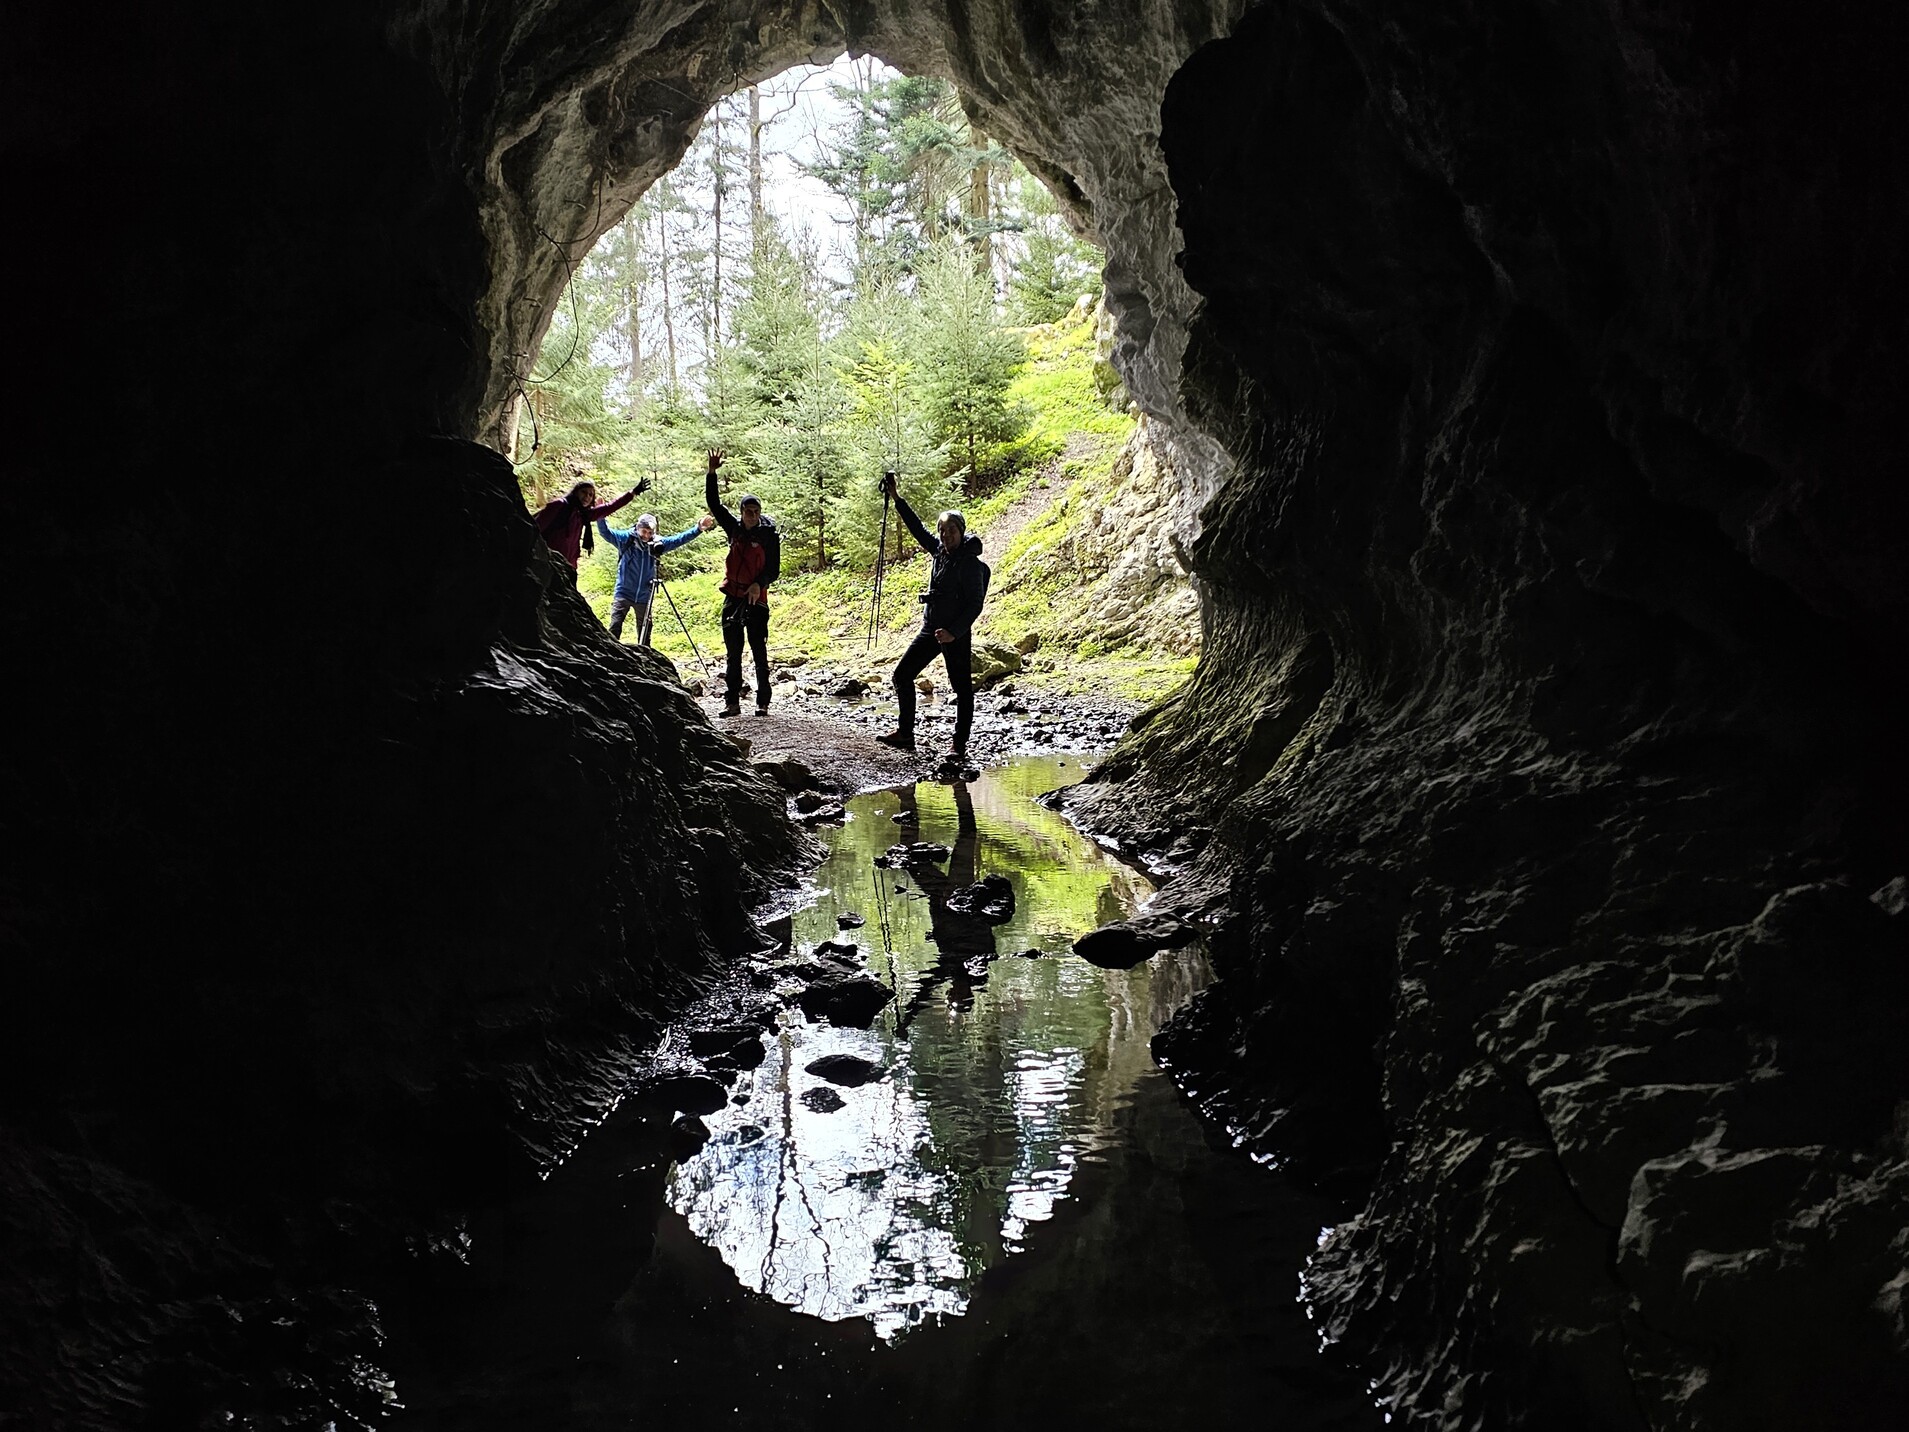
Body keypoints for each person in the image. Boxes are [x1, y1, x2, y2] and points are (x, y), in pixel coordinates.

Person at [876, 474, 989, 760]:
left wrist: (954, 632)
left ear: (961, 531)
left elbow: (975, 604)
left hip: (955, 634)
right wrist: (896, 497)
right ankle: (905, 734)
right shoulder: (939, 551)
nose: (945, 535)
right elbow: (916, 528)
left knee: (962, 689)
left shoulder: (970, 563)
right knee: (902, 675)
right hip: (931, 629)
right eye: (942, 530)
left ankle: (958, 745)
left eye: (951, 530)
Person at [704, 449, 780, 717]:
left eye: (756, 511)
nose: (752, 515)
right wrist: (712, 473)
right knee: (733, 652)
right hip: (733, 596)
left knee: (759, 650)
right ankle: (732, 702)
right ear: (742, 512)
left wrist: (759, 584)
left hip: (756, 598)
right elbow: (714, 504)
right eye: (748, 511)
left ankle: (763, 702)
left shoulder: (769, 536)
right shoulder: (734, 529)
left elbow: (774, 569)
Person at [597, 510, 717, 644]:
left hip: (644, 596)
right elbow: (606, 533)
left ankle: (644, 655)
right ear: (637, 528)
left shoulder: (657, 544)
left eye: (650, 533)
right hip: (623, 592)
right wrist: (600, 514)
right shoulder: (626, 539)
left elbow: (679, 540)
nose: (646, 536)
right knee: (615, 626)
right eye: (644, 531)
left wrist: (698, 529)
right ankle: (610, 652)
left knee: (645, 632)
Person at [533, 476, 647, 574]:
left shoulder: (584, 514)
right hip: (547, 562)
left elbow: (610, 507)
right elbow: (535, 528)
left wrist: (633, 492)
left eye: (591, 495)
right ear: (576, 492)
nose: (587, 497)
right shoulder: (559, 505)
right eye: (584, 492)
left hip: (567, 566)